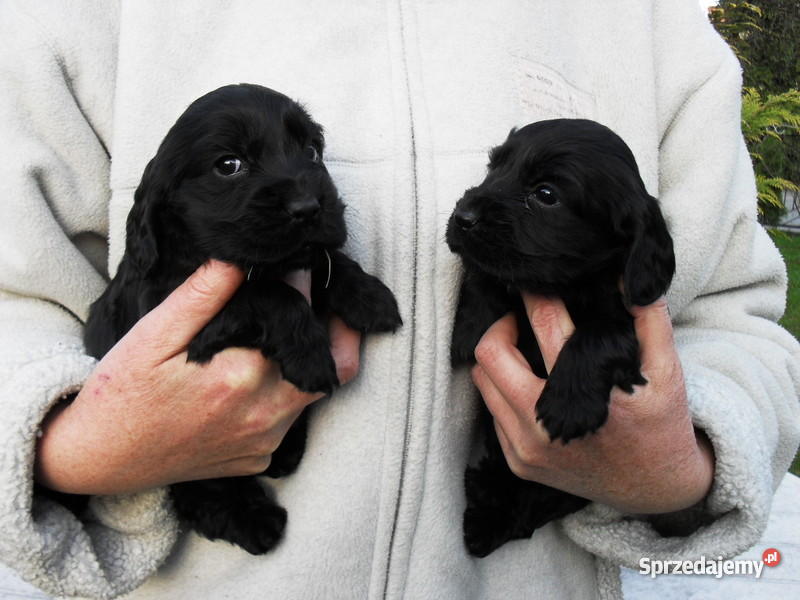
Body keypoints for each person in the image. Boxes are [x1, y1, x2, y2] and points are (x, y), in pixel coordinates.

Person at [0, 1, 798, 599]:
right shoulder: (77, 14)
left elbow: (730, 313)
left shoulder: (646, 19)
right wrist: (70, 447)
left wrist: (681, 469)